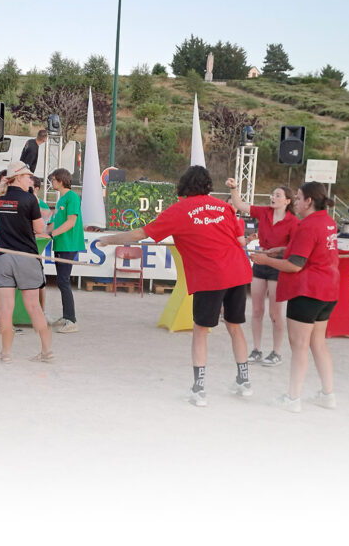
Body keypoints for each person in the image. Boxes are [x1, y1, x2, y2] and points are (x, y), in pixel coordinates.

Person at [99, 166, 253, 407]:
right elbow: (238, 238)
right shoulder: (223, 207)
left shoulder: (180, 210)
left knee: (200, 331)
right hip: (238, 271)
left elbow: (141, 233)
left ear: (184, 184)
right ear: (208, 185)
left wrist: (109, 239)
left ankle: (199, 389)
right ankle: (244, 382)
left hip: (210, 276)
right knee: (235, 326)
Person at [251, 182, 339, 413]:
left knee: (299, 345)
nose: (296, 202)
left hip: (308, 291)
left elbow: (294, 266)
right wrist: (280, 251)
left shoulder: (307, 225)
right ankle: (328, 394)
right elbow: (307, 252)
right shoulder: (328, 222)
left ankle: (293, 397)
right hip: (328, 289)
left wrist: (266, 260)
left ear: (309, 200)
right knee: (318, 343)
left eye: (299, 198)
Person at [0, 160, 54, 363]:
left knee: (6, 307)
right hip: (26, 256)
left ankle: (5, 354)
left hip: (3, 256)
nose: (30, 179)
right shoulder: (29, 199)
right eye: (27, 176)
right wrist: (33, 198)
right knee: (34, 306)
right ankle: (46, 352)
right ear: (17, 177)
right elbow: (40, 229)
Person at [226, 179, 298, 367]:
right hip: (260, 260)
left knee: (275, 313)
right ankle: (256, 349)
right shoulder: (264, 211)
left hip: (278, 264)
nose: (273, 198)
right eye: (272, 194)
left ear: (287, 201)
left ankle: (276, 352)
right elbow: (240, 204)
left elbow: (295, 247)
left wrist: (280, 249)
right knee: (257, 310)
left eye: (277, 195)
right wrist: (234, 188)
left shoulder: (293, 221)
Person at [45, 168, 84, 334]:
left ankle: (71, 320)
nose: (51, 183)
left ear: (61, 180)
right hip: (60, 244)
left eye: (53, 180)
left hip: (69, 244)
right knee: (61, 282)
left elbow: (71, 222)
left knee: (63, 281)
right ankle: (67, 316)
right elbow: (54, 222)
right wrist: (45, 233)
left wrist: (51, 234)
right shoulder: (60, 200)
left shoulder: (72, 197)